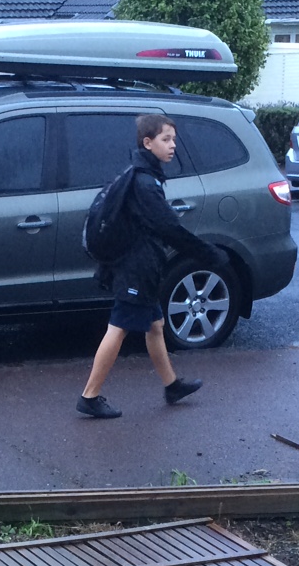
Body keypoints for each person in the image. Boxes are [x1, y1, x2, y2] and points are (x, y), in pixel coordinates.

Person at [76, 113, 226, 419]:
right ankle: (89, 396)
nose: (173, 146)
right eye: (165, 139)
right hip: (136, 268)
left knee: (156, 325)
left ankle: (172, 385)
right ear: (148, 143)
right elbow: (169, 228)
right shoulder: (145, 183)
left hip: (141, 264)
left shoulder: (141, 174)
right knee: (118, 328)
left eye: (173, 139)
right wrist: (208, 254)